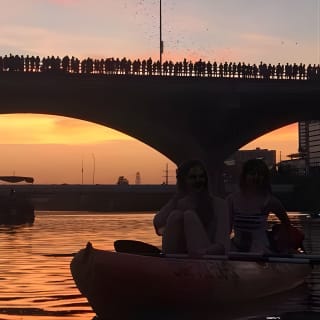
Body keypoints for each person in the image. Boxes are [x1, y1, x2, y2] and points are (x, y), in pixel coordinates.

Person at [153, 159, 230, 256]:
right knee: (175, 215)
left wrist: (203, 252)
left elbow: (223, 245)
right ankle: (168, 261)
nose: (198, 181)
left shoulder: (220, 205)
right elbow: (158, 225)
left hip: (206, 256)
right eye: (193, 177)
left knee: (189, 215)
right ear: (183, 181)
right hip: (179, 256)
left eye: (201, 176)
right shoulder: (177, 203)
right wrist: (175, 201)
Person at [227, 158, 297, 254]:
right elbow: (227, 229)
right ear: (244, 176)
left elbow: (286, 224)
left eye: (260, 174)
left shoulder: (270, 201)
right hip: (236, 249)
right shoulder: (232, 200)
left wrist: (285, 246)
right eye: (252, 173)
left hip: (261, 252)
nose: (256, 177)